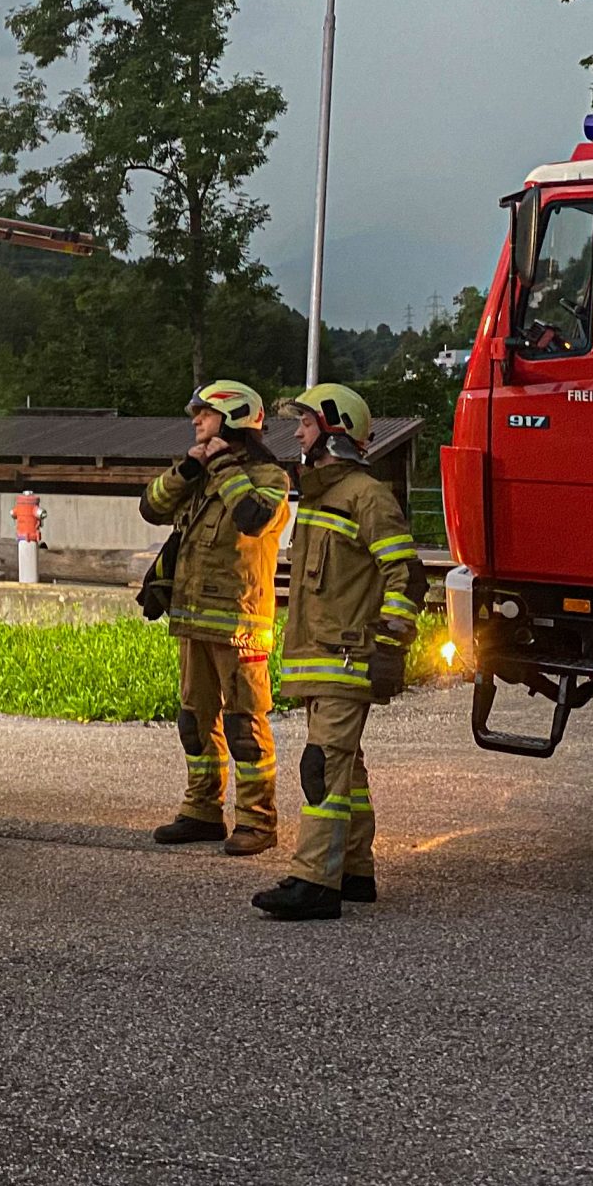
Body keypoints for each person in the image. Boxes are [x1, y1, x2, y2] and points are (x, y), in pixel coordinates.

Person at [251, 382, 422, 921]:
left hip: (348, 658)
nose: (298, 434)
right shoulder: (321, 496)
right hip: (321, 660)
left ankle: (314, 882)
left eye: (306, 424)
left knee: (321, 766)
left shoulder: (366, 496)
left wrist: (391, 644)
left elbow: (406, 575)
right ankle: (353, 871)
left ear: (334, 431)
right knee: (347, 770)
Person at [136, 380, 290, 855]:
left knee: (245, 727)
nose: (196, 421)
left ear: (234, 418)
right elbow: (151, 507)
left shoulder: (270, 477)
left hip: (241, 625)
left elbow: (252, 518)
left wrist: (222, 464)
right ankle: (202, 811)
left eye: (204, 413)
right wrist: (189, 468)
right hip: (192, 621)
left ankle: (258, 821)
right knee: (194, 721)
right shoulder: (198, 473)